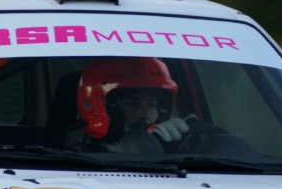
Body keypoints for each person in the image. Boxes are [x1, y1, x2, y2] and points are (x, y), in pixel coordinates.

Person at [72, 57, 252, 157]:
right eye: (131, 104)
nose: (143, 113)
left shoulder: (180, 159)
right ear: (100, 107)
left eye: (151, 105)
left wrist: (172, 151)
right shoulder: (73, 162)